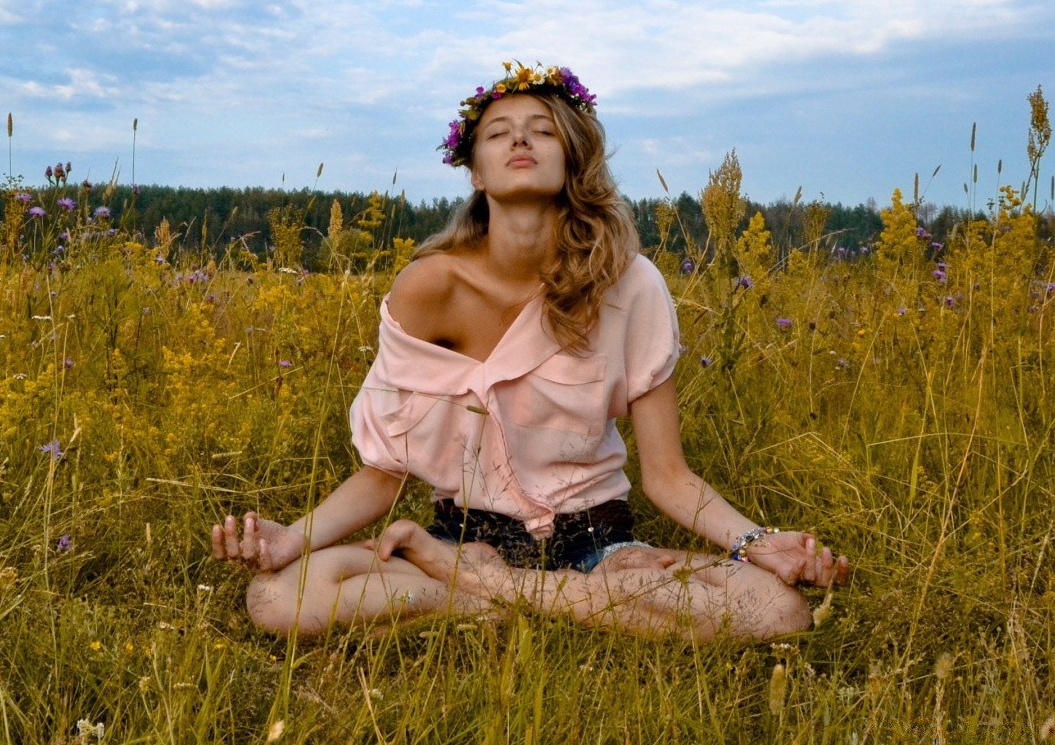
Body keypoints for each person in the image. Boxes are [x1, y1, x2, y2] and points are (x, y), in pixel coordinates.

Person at [209, 62, 850, 639]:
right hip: (466, 541)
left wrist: (758, 544)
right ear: (475, 171)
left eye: (542, 130)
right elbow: (385, 474)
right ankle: (553, 603)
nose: (520, 139)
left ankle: (495, 596)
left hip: (598, 546)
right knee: (277, 598)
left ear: (573, 160)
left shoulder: (631, 285)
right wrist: (292, 539)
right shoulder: (431, 286)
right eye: (499, 132)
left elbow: (669, 478)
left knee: (776, 609)